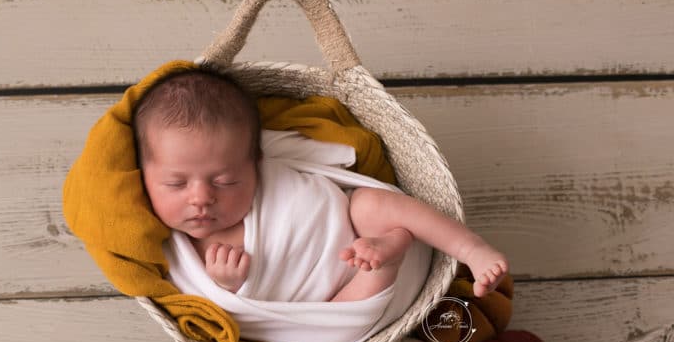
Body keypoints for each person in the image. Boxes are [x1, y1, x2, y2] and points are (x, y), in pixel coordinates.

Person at [134, 69, 508, 303]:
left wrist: (342, 149)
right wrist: (227, 286)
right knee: (346, 315)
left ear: (255, 163)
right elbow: (229, 315)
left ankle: (468, 248)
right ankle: (386, 261)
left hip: (349, 224)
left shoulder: (268, 157)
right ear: (144, 176)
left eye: (225, 180)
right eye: (175, 183)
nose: (201, 197)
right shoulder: (174, 253)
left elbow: (335, 150)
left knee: (370, 205)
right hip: (335, 299)